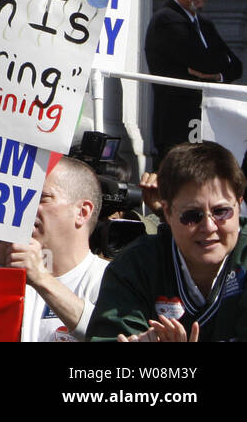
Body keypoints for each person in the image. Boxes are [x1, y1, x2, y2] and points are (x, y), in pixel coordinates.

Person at [88, 141, 247, 341]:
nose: (209, 226)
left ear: (239, 206)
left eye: (221, 211)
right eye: (192, 215)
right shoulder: (137, 265)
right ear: (168, 212)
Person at [0, 158, 108, 341]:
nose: (24, 206)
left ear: (82, 212)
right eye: (22, 196)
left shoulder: (108, 279)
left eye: (42, 198)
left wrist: (42, 279)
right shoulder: (1, 263)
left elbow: (110, 333)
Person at [145, 0, 242, 161]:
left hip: (205, 121)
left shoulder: (204, 24)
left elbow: (236, 66)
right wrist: (217, 67)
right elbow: (206, 62)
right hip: (177, 123)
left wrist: (216, 76)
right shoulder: (167, 20)